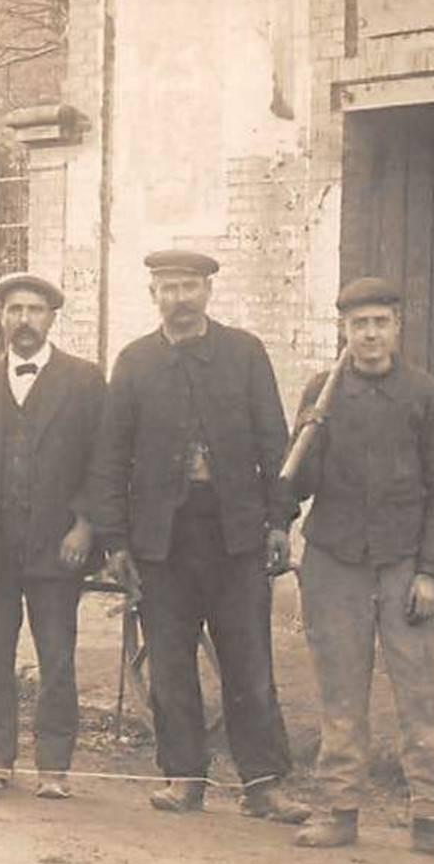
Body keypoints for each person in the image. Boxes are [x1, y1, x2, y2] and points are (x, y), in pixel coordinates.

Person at [87, 250, 307, 823]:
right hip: (162, 539)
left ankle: (263, 785)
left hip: (236, 532)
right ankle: (185, 778)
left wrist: (280, 521)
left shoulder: (245, 353)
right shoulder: (134, 363)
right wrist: (115, 540)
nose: (179, 298)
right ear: (153, 294)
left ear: (208, 291)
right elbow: (110, 455)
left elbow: (274, 443)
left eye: (189, 287)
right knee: (170, 664)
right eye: (167, 288)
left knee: (250, 663)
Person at [287, 277, 434, 864]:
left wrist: (431, 572)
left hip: (405, 564)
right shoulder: (322, 392)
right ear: (343, 332)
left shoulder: (425, 394)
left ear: (397, 328)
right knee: (341, 693)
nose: (370, 335)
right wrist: (307, 436)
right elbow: (298, 486)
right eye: (358, 324)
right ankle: (339, 811)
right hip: (334, 561)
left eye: (380, 322)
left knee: (424, 696)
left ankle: (430, 818)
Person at [0, 272, 105, 799]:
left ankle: (53, 766)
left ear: (52, 318)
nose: (24, 320)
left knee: (56, 657)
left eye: (34, 310)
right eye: (14, 310)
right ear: (2, 317)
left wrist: (85, 524)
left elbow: (102, 462)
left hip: (57, 544)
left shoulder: (83, 379)